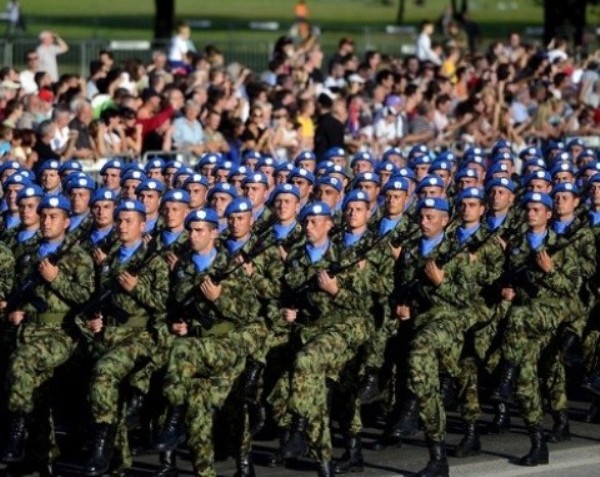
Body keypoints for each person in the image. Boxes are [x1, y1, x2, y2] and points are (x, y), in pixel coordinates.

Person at [0, 194, 93, 475]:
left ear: (66, 222)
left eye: (53, 217)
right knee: (37, 395)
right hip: (28, 330)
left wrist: (57, 279)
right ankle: (42, 458)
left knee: (20, 364)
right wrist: (14, 311)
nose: (46, 221)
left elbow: (85, 297)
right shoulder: (29, 252)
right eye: (44, 216)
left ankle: (16, 430)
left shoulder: (78, 256)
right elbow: (17, 290)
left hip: (58, 333)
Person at [81, 199, 169, 476]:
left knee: (104, 374)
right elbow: (101, 297)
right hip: (109, 333)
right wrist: (96, 319)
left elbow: (164, 305)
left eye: (129, 221)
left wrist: (137, 289)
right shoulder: (110, 258)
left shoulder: (154, 261)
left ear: (143, 225)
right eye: (119, 220)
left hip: (138, 335)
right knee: (108, 393)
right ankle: (119, 460)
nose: (121, 226)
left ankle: (101, 445)